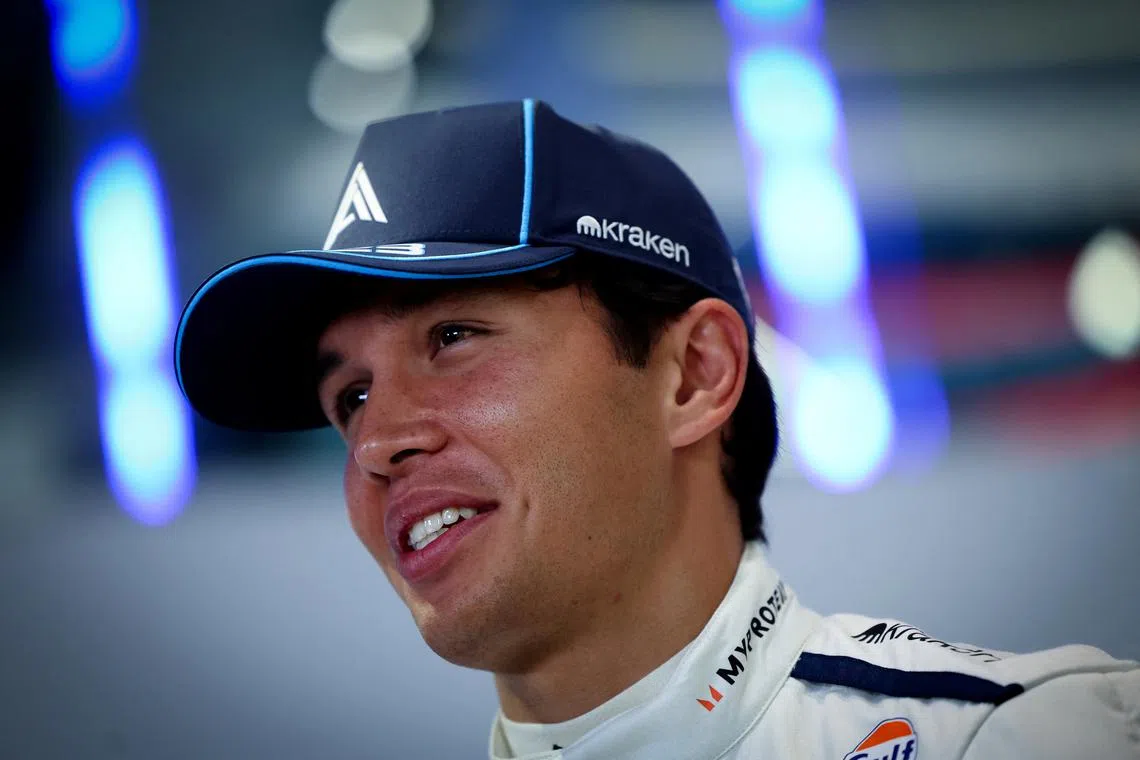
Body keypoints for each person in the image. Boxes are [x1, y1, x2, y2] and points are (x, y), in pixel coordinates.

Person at [175, 100, 1139, 759]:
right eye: (347, 398)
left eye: (455, 337)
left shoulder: (1017, 738)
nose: (377, 443)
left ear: (695, 375)